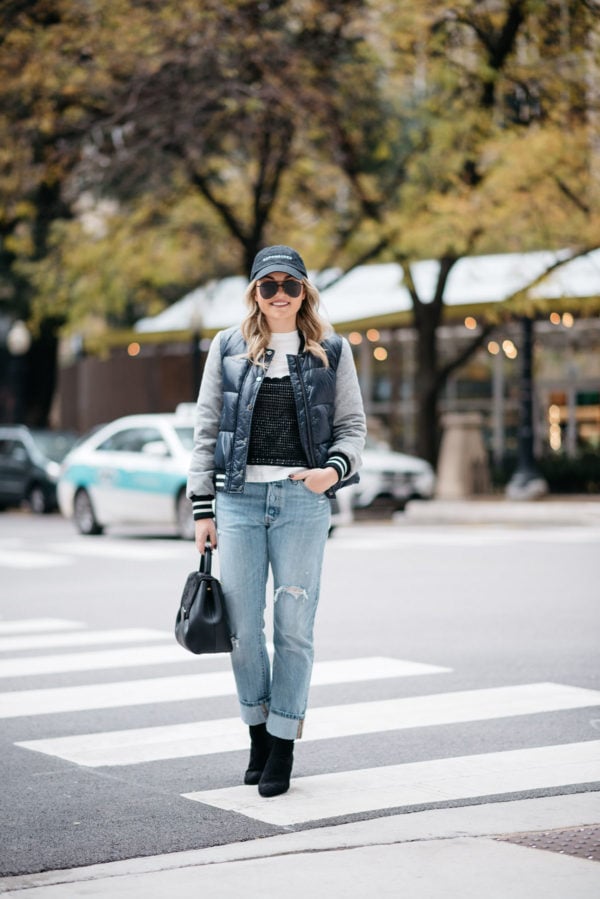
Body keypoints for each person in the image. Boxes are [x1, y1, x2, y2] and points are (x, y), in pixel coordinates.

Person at [187, 245, 366, 797]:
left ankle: (283, 745)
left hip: (301, 504)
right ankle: (258, 734)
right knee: (243, 632)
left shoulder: (331, 350)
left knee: (294, 630)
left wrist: (329, 474)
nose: (280, 295)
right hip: (239, 503)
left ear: (305, 292)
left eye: (291, 285)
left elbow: (352, 428)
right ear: (256, 294)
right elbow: (206, 426)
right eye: (270, 286)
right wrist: (202, 508)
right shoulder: (228, 346)